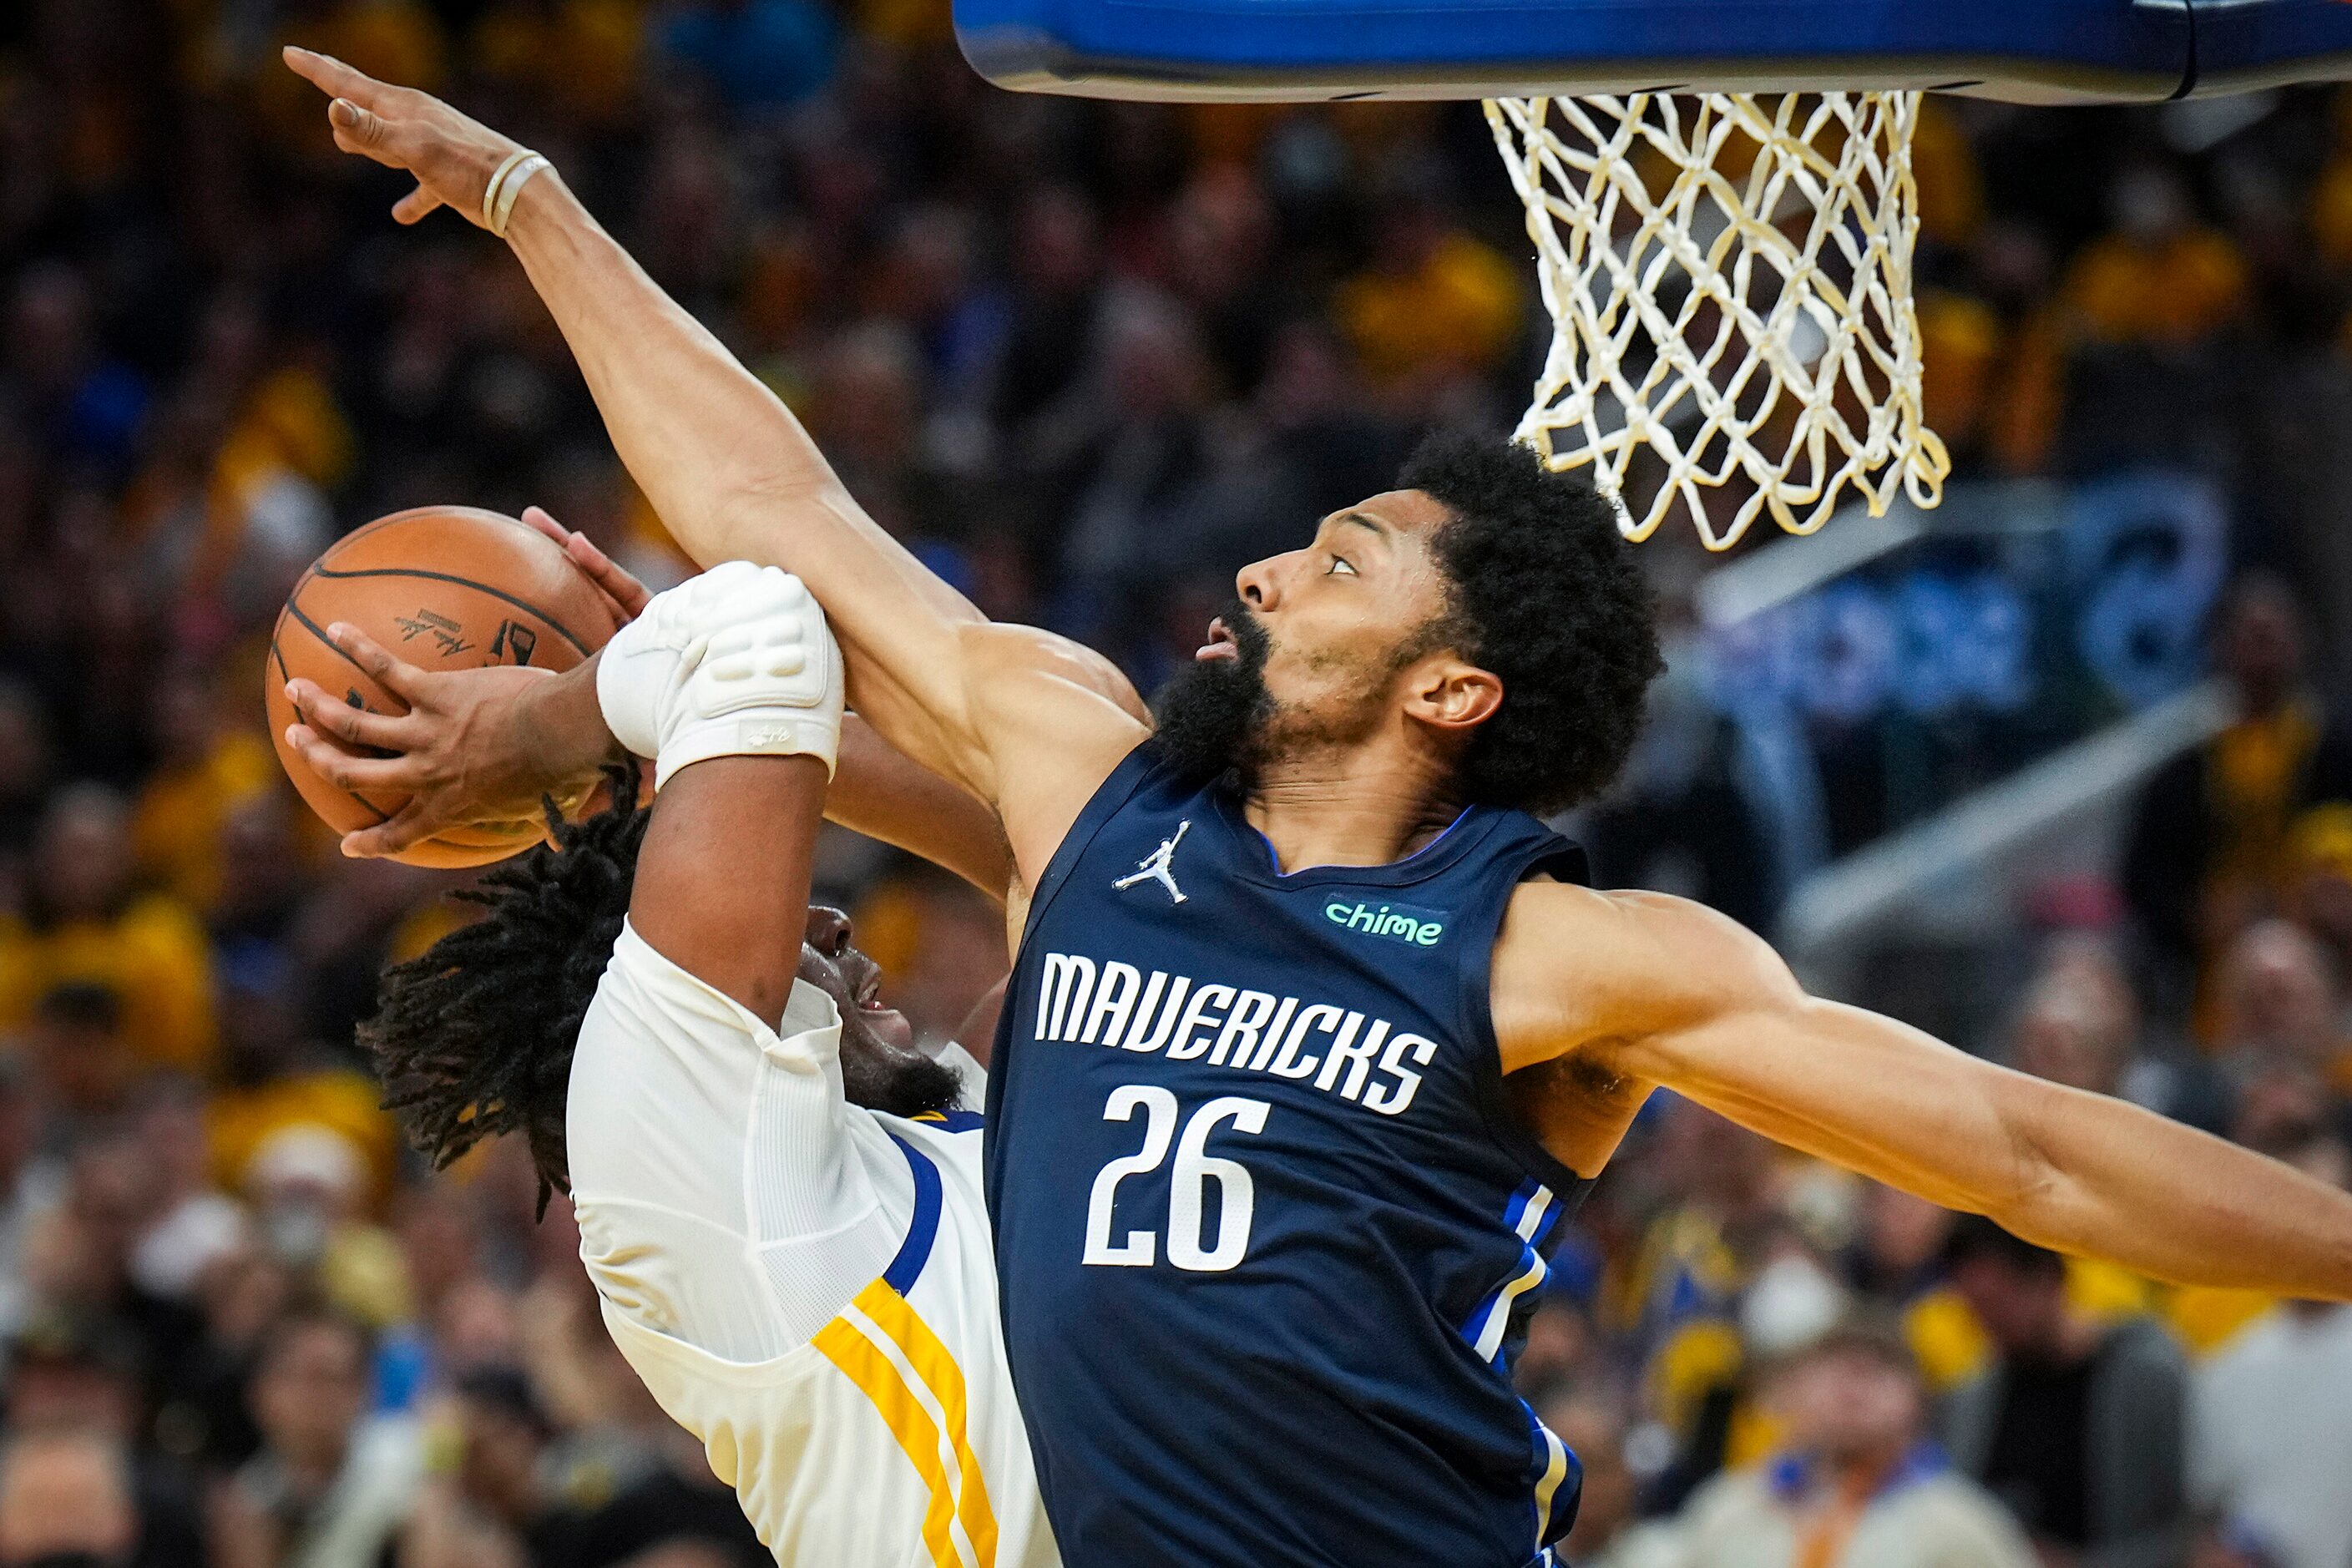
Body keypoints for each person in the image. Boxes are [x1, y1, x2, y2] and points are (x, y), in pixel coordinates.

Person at [277, 53, 2352, 1568]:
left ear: (1449, 689)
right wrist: (529, 195)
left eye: (1341, 558)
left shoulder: (1553, 953)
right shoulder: (1089, 793)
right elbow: (773, 515)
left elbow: (2029, 1151)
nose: (1266, 573)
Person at [355, 564, 1055, 1565]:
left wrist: (671, 726)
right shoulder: (680, 1138)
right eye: (782, 918)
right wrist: (552, 722)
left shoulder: (924, 1142)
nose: (828, 919)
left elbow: (1090, 874)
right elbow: (747, 632)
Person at [1659, 1314, 2033, 1568]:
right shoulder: (1728, 1508)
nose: (1855, 1381)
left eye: (1882, 1367)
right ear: (1789, 1393)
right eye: (1833, 1364)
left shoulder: (1963, 1523)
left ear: (1918, 1404)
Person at [1939, 1217, 2188, 1568]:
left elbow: (2192, 1536)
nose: (1987, 1324)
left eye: (1996, 1304)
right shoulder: (1974, 1401)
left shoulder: (2146, 1378)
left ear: (2048, 1279)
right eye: (1974, 1310)